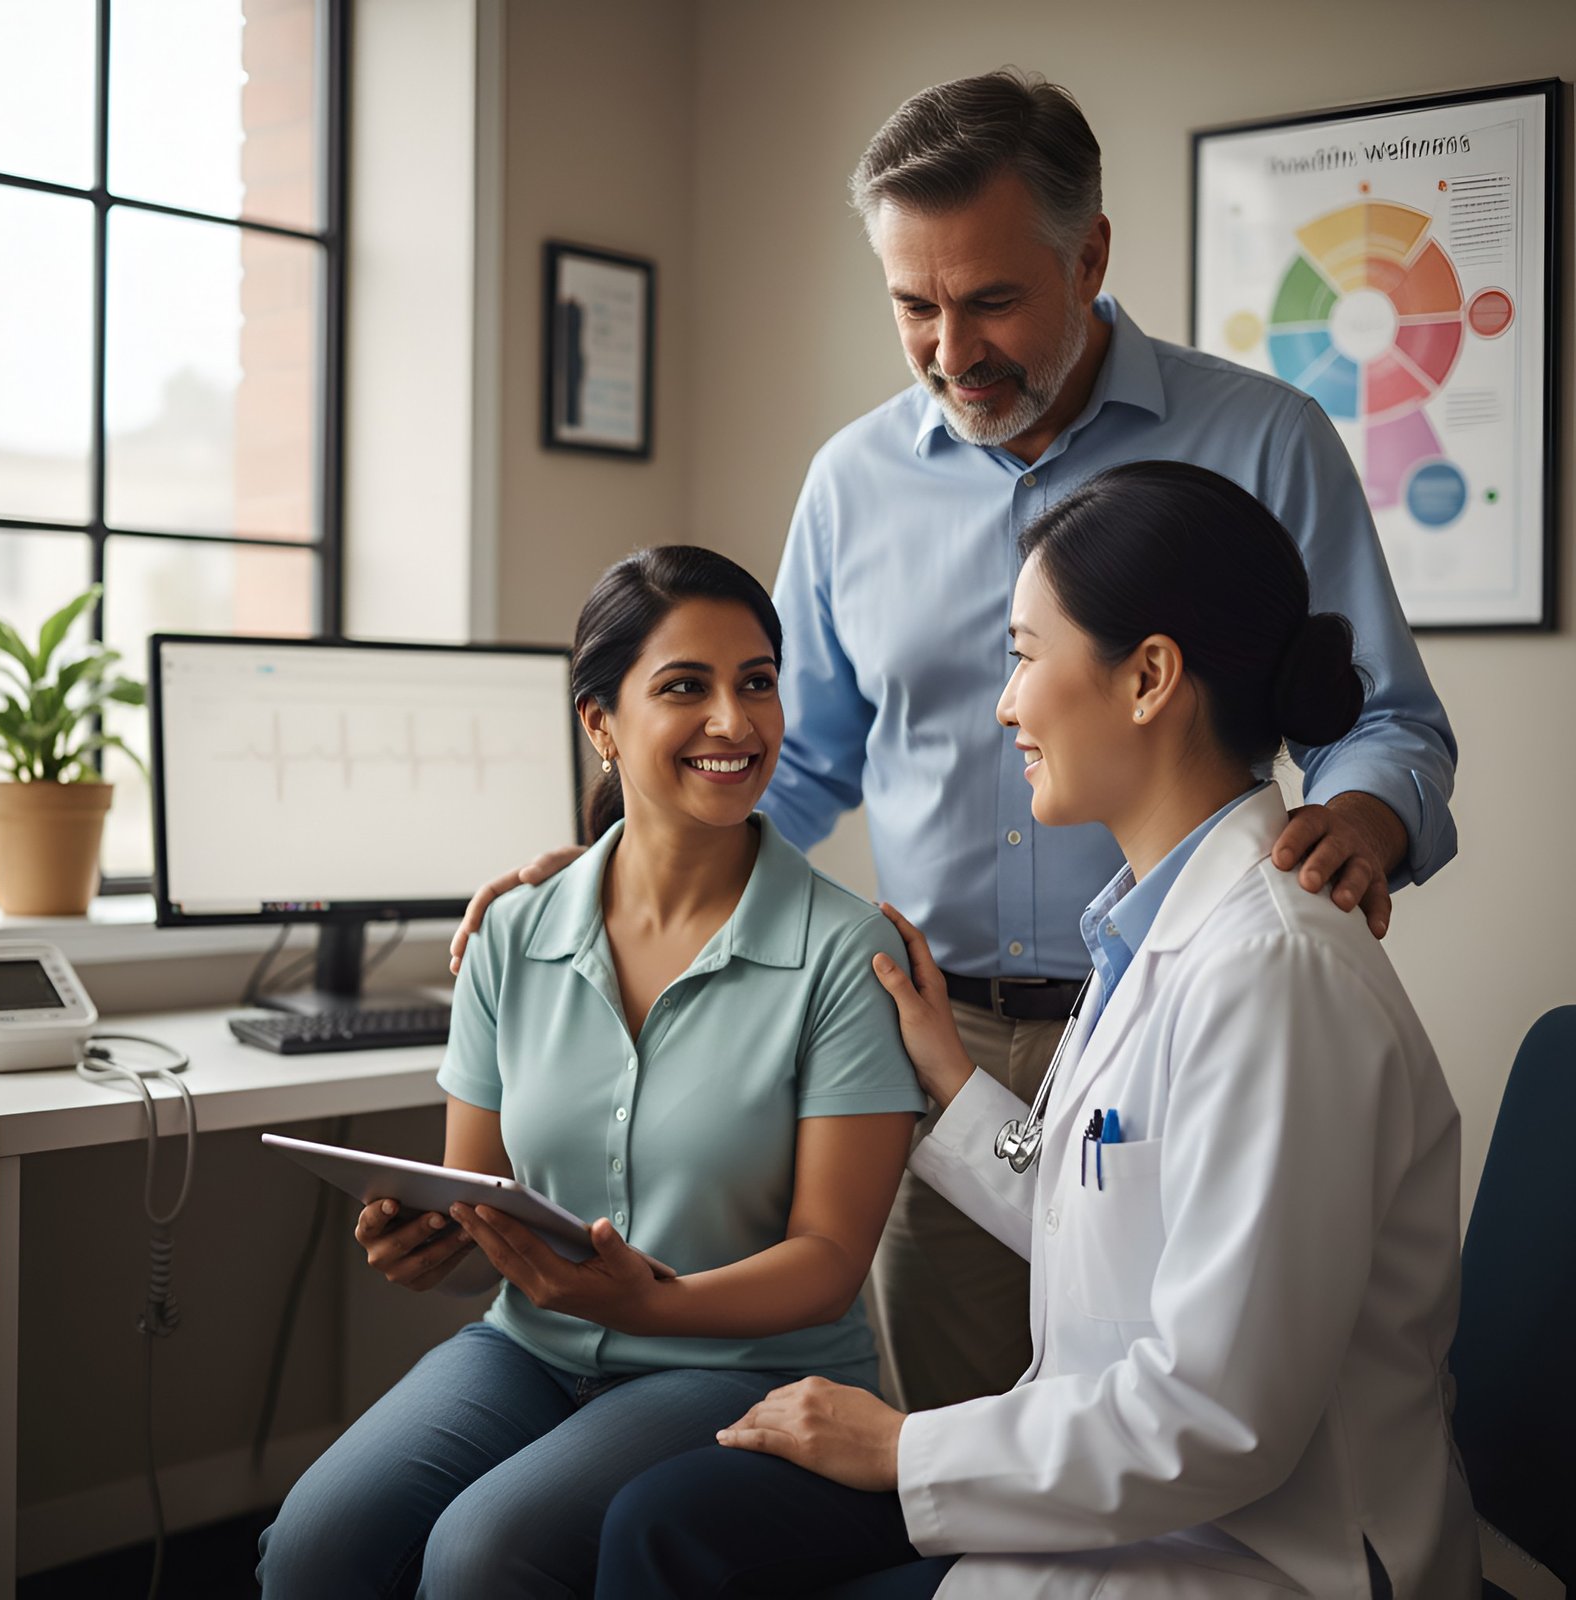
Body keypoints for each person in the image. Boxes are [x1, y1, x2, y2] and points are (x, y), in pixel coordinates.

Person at [449, 70, 1459, 1413]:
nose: (950, 350)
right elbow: (789, 766)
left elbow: (1379, 714)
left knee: (1198, 1398)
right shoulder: (851, 482)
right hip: (930, 1039)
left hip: (1174, 1011)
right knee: (959, 1448)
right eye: (913, 308)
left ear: (1089, 255)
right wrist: (605, 878)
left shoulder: (1263, 440)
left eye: (990, 301)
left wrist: (1367, 815)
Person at [593, 462, 1476, 1600]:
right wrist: (951, 1086)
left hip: (1252, 1556)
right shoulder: (1155, 926)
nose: (1004, 705)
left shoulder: (1273, 973)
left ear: (1149, 676)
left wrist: (899, 1443)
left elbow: (1216, 1416)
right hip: (1133, 1500)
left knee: (689, 1540)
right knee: (671, 1526)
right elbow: (1093, 1194)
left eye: (1022, 655)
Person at [257, 546, 924, 1598]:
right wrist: (436, 1244)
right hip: (531, 1347)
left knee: (483, 1552)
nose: (735, 722)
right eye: (684, 688)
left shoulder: (847, 952)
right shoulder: (513, 934)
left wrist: (647, 1303)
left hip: (743, 1362)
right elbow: (488, 1213)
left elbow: (830, 1257)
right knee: (312, 1541)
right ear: (599, 723)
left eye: (756, 681)